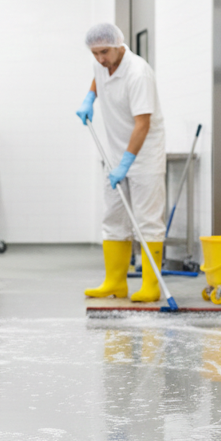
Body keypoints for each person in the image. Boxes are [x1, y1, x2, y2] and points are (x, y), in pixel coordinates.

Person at [75, 23, 167, 302]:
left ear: (119, 46)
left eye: (104, 52)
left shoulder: (138, 73)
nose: (100, 59)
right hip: (113, 154)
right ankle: (115, 282)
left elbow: (143, 124)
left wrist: (127, 163)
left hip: (144, 156)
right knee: (113, 218)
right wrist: (90, 97)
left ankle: (151, 286)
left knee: (148, 220)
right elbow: (98, 77)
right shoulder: (101, 65)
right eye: (95, 53)